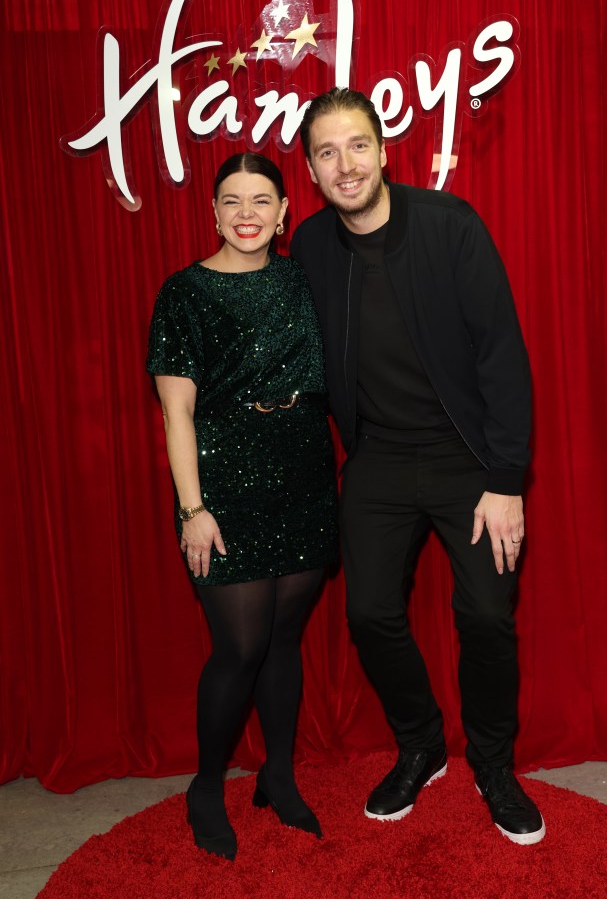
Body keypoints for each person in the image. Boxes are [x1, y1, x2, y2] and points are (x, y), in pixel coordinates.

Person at [290, 88, 545, 845]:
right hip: (380, 458)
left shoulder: (450, 226)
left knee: (487, 617)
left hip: (469, 457)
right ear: (310, 168)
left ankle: (493, 766)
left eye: (357, 146)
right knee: (367, 612)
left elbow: (503, 357)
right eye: (328, 152)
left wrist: (506, 480)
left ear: (383, 150)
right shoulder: (308, 245)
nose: (346, 164)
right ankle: (423, 740)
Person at [147, 152, 338, 861]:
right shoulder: (185, 292)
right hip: (224, 481)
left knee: (284, 639)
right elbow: (176, 414)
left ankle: (278, 775)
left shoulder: (302, 279)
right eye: (233, 200)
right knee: (240, 645)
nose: (248, 213)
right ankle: (205, 785)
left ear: (285, 213)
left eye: (263, 200)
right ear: (215, 212)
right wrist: (193, 509)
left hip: (304, 471)